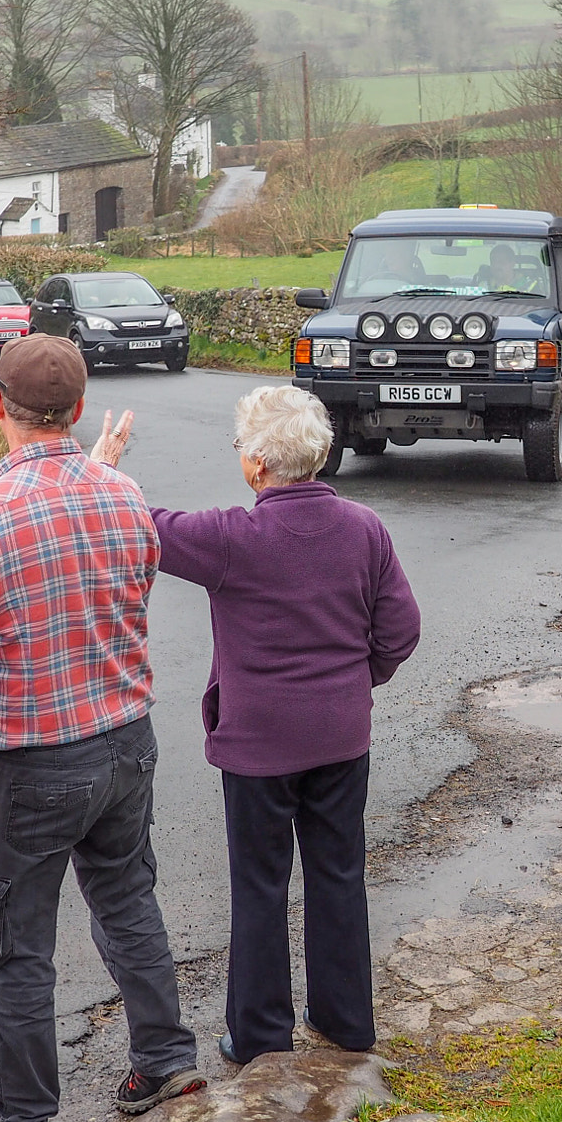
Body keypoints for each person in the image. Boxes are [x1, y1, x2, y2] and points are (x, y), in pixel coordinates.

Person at [0, 334, 203, 1122]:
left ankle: (24, 1120)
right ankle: (165, 1060)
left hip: (30, 762)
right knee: (128, 900)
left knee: (13, 943)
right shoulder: (124, 494)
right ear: (75, 411)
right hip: (124, 743)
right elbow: (132, 595)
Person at [90, 386, 420, 1064]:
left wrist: (105, 472)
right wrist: (357, 682)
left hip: (258, 746)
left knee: (260, 886)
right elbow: (401, 630)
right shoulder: (364, 529)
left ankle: (261, 1035)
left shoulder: (232, 538)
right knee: (338, 875)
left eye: (243, 446)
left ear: (260, 465)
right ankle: (348, 1021)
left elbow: (140, 525)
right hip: (340, 735)